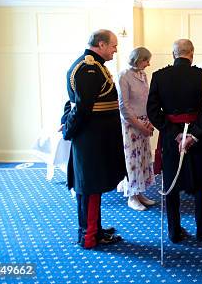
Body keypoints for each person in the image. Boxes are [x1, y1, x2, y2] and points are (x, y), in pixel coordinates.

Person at [146, 39, 202, 243]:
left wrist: (175, 134)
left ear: (173, 54)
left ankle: (174, 232)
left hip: (171, 139)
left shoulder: (159, 76)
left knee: (171, 185)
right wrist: (193, 135)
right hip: (198, 139)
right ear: (192, 54)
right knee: (200, 185)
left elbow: (152, 111)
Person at [61, 29, 126, 249]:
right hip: (91, 139)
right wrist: (68, 129)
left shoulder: (96, 66)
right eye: (113, 45)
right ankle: (90, 236)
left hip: (98, 138)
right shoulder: (88, 67)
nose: (116, 49)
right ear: (101, 44)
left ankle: (95, 228)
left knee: (94, 186)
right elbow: (80, 107)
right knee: (89, 187)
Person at [117, 47, 156, 211]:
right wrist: (139, 125)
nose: (148, 64)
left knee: (143, 159)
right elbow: (123, 106)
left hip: (144, 122)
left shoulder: (143, 74)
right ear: (139, 59)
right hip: (130, 125)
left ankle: (140, 192)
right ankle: (131, 196)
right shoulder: (124, 75)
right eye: (146, 60)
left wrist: (150, 122)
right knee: (132, 160)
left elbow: (147, 100)